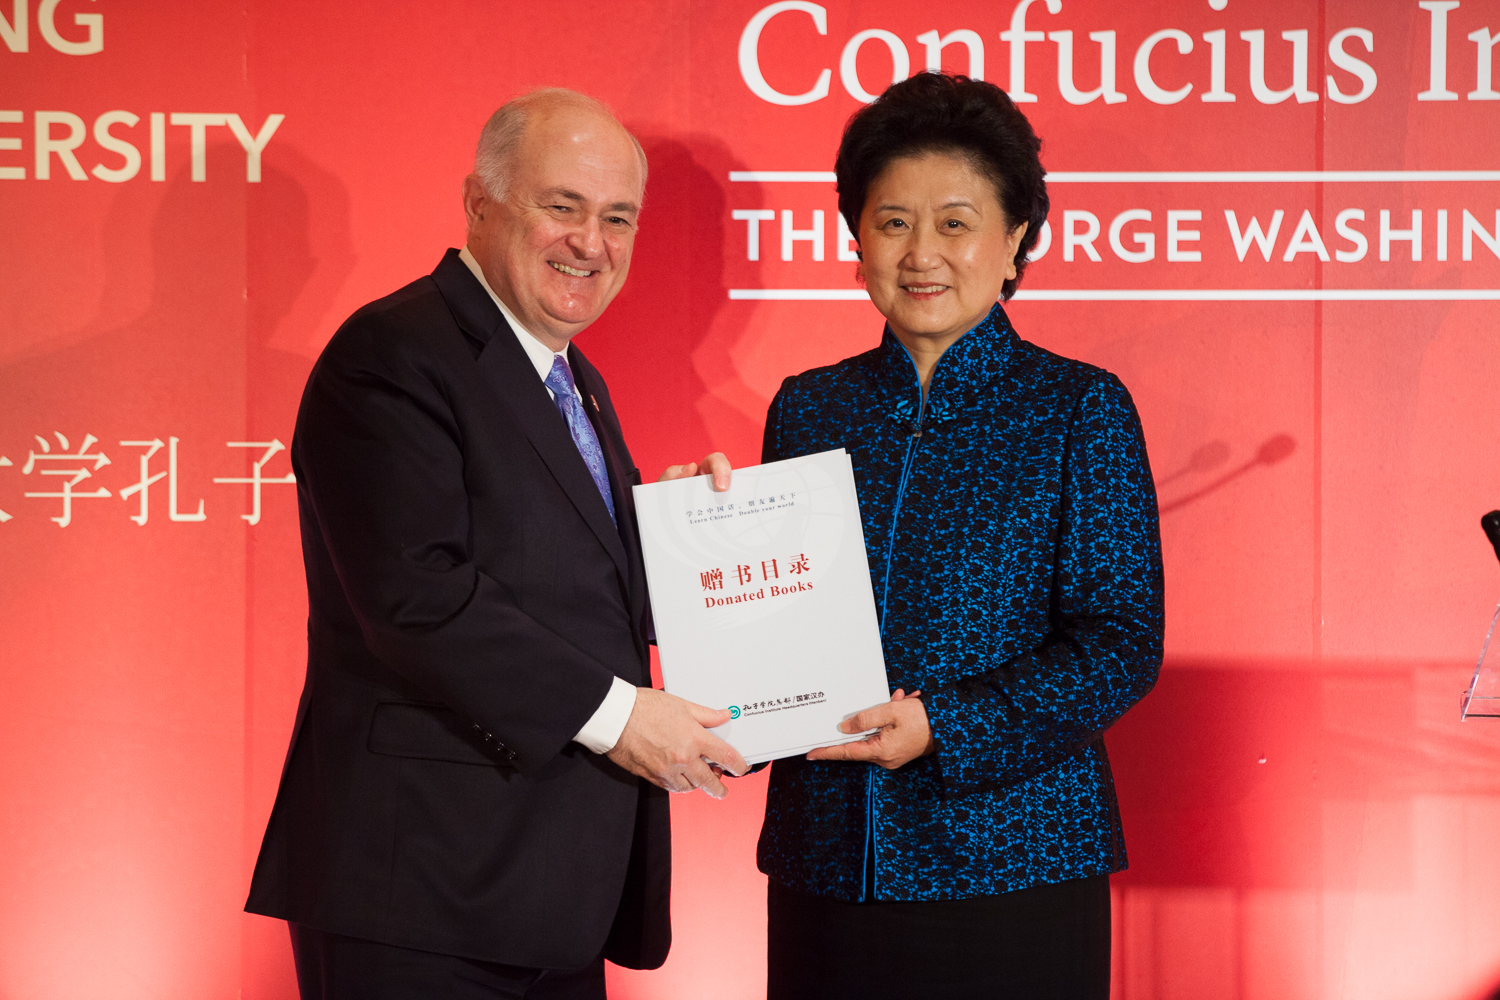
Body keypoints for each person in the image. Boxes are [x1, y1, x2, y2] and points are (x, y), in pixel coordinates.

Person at [244, 88, 748, 1000]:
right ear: (480, 203)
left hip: (546, 888)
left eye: (617, 217)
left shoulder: (568, 375)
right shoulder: (393, 354)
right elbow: (417, 598)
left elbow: (554, 571)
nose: (591, 243)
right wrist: (626, 718)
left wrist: (669, 536)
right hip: (423, 891)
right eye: (562, 206)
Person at [755, 73, 1165, 999]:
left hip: (1013, 860)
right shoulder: (808, 406)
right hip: (828, 858)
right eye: (893, 221)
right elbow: (773, 626)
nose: (921, 253)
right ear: (854, 235)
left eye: (955, 222)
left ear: (1016, 238)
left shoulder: (1079, 408)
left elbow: (1121, 643)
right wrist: (703, 541)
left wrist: (945, 725)